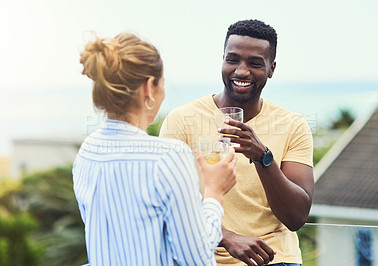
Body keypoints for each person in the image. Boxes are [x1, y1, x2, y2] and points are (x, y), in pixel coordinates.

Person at [73, 32, 238, 265]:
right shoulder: (168, 156)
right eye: (162, 83)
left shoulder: (87, 151)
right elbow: (196, 257)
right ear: (149, 87)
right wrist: (215, 192)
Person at [160, 19, 314, 266]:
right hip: (201, 255)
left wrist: (263, 157)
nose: (241, 71)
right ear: (222, 60)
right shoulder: (182, 119)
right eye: (232, 60)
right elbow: (165, 202)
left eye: (255, 63)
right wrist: (225, 237)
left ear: (271, 69)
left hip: (273, 259)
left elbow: (296, 217)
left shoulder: (293, 125)